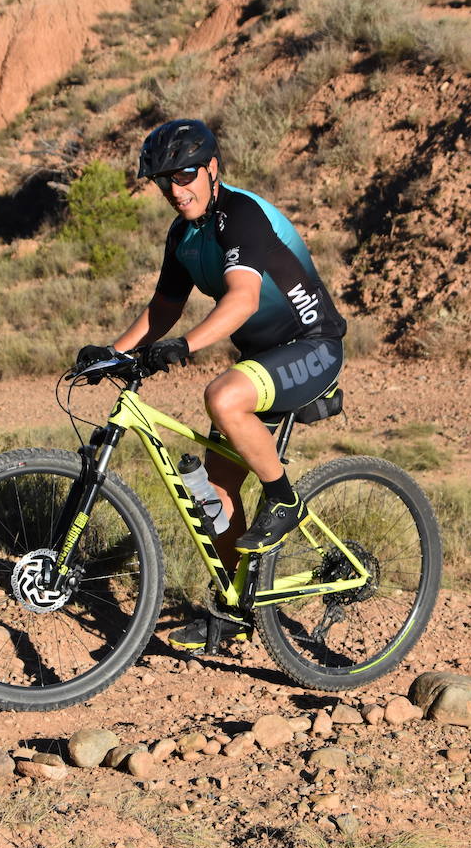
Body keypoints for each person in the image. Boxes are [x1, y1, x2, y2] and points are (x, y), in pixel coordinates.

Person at [74, 119, 346, 648]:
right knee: (214, 496)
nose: (178, 190)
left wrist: (185, 347)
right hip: (263, 357)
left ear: (212, 169)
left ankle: (285, 501)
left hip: (313, 345)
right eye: (166, 182)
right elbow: (163, 310)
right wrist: (115, 354)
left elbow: (242, 298)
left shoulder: (239, 216)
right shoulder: (183, 235)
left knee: (221, 395)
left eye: (187, 175)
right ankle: (236, 611)